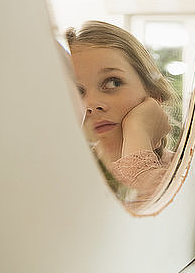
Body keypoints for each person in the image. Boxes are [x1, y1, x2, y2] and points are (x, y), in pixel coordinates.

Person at [66, 20, 177, 212]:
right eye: (78, 91)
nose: (92, 105)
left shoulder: (181, 176)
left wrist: (138, 133)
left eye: (113, 83)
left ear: (153, 94)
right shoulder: (66, 176)